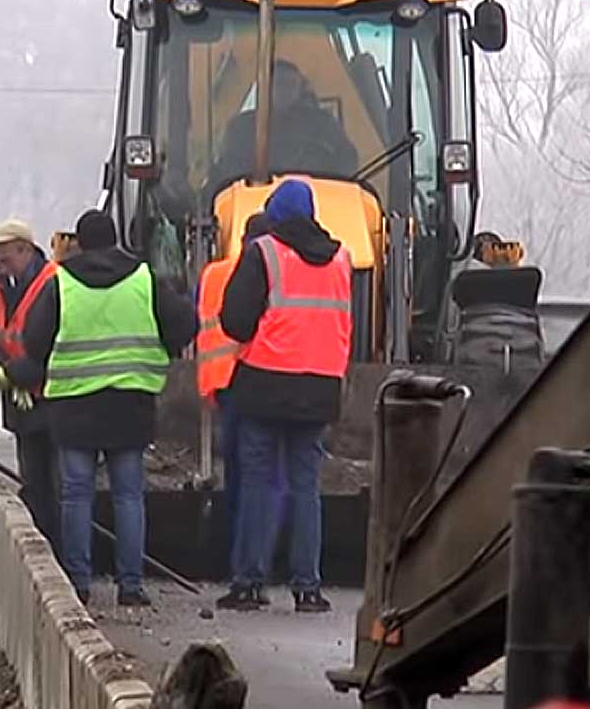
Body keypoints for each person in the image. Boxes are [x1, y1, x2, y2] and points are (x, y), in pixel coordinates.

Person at [17, 210, 198, 607]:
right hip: (129, 402)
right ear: (116, 238)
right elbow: (185, 323)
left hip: (74, 404)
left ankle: (78, 583)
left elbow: (33, 342)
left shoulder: (60, 282)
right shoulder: (145, 278)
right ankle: (130, 587)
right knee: (129, 496)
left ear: (79, 242)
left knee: (77, 494)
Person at [216, 179, 351, 613]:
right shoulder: (341, 258)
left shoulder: (264, 252)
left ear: (274, 213)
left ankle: (250, 582)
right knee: (305, 486)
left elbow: (235, 321)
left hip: (266, 384)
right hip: (319, 386)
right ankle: (308, 586)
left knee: (258, 482)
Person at [0, 219, 63, 550]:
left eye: (4, 258)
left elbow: (61, 342)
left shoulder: (55, 283)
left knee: (61, 486)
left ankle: (64, 554)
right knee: (34, 483)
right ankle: (43, 545)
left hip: (54, 398)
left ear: (24, 249)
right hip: (20, 403)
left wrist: (22, 372)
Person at [195, 212, 282, 600]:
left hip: (221, 383)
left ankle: (239, 565)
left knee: (239, 480)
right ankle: (257, 570)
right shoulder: (273, 274)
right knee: (265, 482)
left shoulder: (213, 273)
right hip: (258, 383)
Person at [212, 60, 359, 190]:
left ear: (299, 89)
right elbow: (229, 167)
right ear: (266, 87)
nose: (286, 90)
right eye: (280, 84)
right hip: (256, 198)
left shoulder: (321, 123)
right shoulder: (241, 127)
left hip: (317, 196)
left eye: (292, 85)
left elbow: (347, 158)